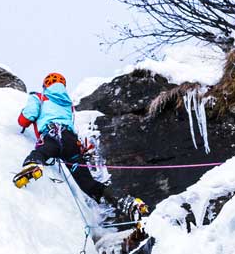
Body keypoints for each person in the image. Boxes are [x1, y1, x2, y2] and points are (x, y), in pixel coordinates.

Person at [16, 72, 144, 222]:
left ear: (45, 85)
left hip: (52, 134)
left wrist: (22, 120)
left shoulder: (39, 97)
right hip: (71, 143)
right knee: (88, 184)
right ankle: (124, 202)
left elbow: (28, 117)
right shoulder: (68, 104)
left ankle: (34, 165)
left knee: (41, 153)